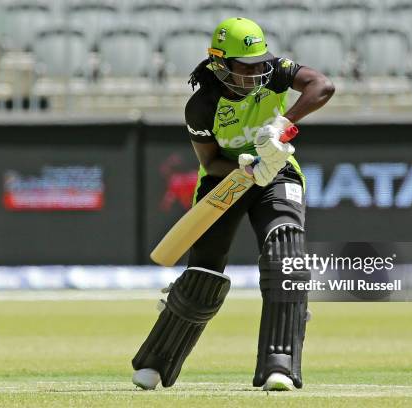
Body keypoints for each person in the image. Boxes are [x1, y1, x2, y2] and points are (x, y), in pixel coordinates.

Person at [132, 17, 334, 391]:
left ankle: (281, 365)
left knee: (285, 255)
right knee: (203, 275)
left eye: (261, 63)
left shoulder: (274, 72)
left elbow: (323, 85)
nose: (258, 72)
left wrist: (282, 126)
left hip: (278, 173)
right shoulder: (202, 106)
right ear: (220, 64)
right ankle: (156, 363)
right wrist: (244, 167)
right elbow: (210, 162)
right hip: (226, 179)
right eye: (247, 66)